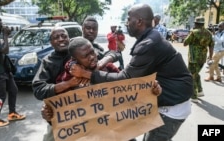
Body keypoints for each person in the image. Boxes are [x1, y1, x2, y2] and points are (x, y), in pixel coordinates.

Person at [69, 3, 194, 141]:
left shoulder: (149, 43)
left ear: (139, 21)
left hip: (171, 107)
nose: (126, 23)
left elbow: (125, 78)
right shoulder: (150, 38)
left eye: (129, 19)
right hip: (165, 101)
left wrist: (88, 74)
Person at [41, 37, 161, 141]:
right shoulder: (67, 80)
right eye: (86, 56)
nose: (93, 57)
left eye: (92, 52)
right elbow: (59, 114)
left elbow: (128, 87)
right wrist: (48, 115)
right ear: (75, 60)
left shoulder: (107, 68)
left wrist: (151, 90)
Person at [32, 16, 120, 141]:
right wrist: (68, 84)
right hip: (63, 117)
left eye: (64, 36)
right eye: (56, 37)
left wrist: (98, 66)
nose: (61, 39)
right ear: (50, 42)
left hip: (93, 115)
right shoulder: (47, 62)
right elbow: (39, 89)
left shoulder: (81, 49)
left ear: (69, 39)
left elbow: (114, 54)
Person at [0, 15, 26, 127]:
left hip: (4, 70)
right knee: (0, 95)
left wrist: (4, 36)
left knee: (13, 90)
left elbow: (2, 49)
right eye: (0, 25)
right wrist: (6, 36)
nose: (2, 27)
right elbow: (5, 50)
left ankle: (12, 113)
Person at [183, 17, 214, 102]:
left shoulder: (194, 32)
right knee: (196, 73)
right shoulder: (209, 33)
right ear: (203, 24)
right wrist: (210, 57)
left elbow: (185, 43)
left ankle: (194, 96)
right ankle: (200, 90)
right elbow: (211, 45)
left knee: (192, 75)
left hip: (193, 58)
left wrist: (190, 34)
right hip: (202, 58)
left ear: (196, 24)